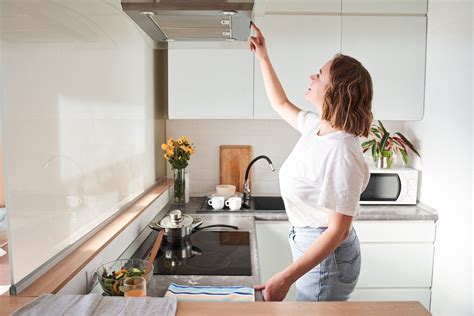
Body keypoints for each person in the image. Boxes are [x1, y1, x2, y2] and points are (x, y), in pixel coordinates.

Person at [248, 22, 373, 302]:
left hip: (327, 259)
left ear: (332, 91)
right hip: (311, 247)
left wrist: (284, 279)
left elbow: (338, 231)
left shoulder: (342, 151)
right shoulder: (318, 127)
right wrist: (264, 58)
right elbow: (280, 104)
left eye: (319, 75)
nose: (311, 77)